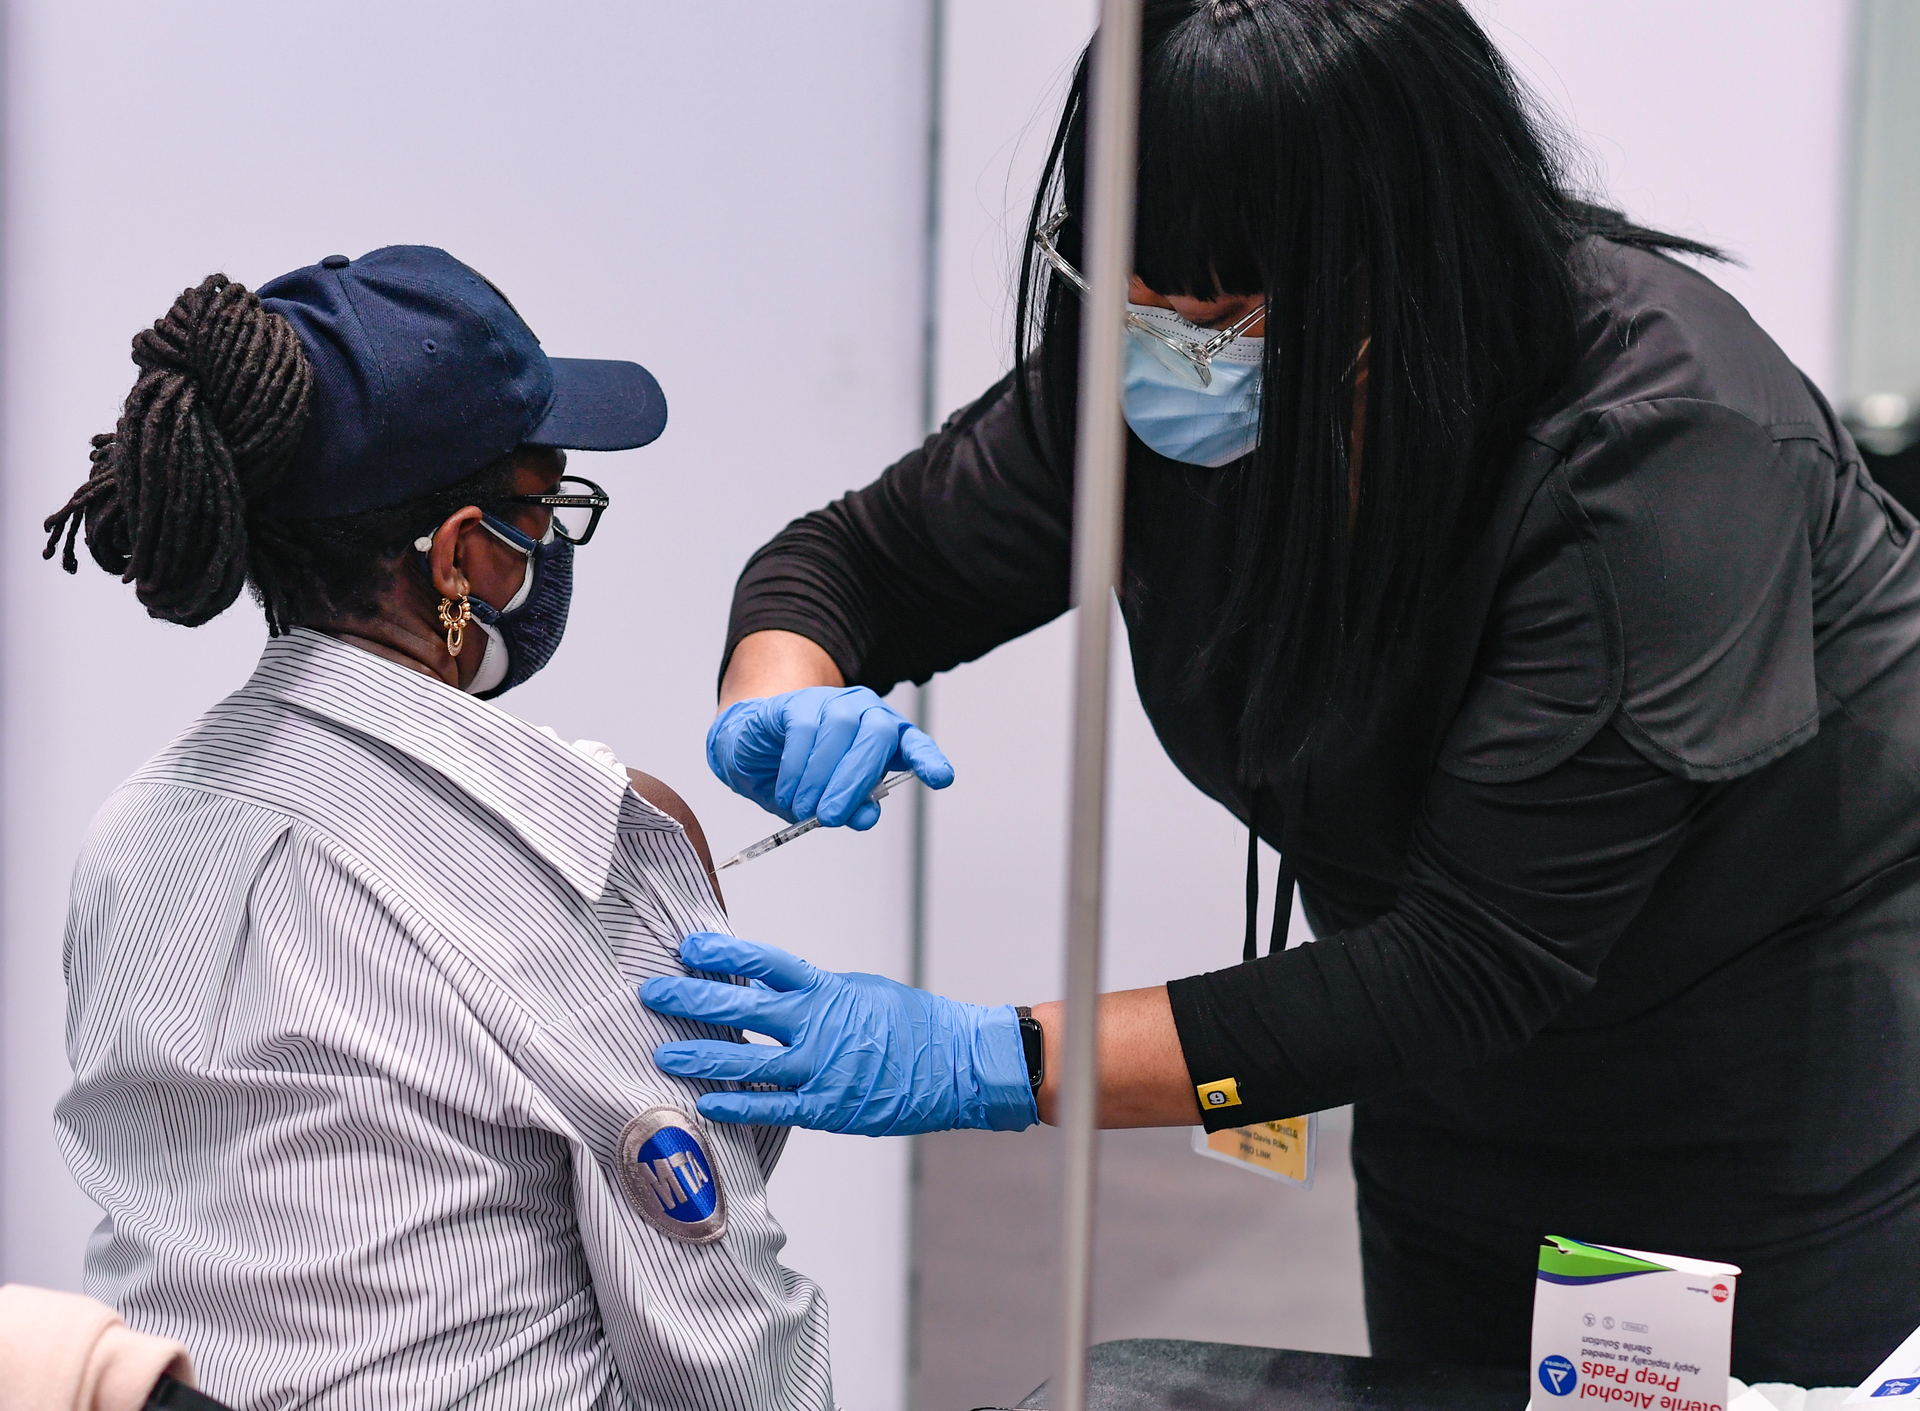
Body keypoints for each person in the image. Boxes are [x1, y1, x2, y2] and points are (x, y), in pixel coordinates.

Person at [643, 0, 1920, 1387]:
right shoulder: (1160, 368)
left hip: (1750, 1102)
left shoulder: (1661, 457)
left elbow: (1465, 961)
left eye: (1230, 310)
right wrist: (779, 687)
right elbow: (863, 560)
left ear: (1398, 270)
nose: (1176, 347)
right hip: (1451, 1092)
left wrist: (983, 1056)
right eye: (1139, 289)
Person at [44, 247, 831, 1411]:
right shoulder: (585, 841)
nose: (553, 544)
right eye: (544, 503)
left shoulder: (133, 829)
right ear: (464, 556)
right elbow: (722, 1351)